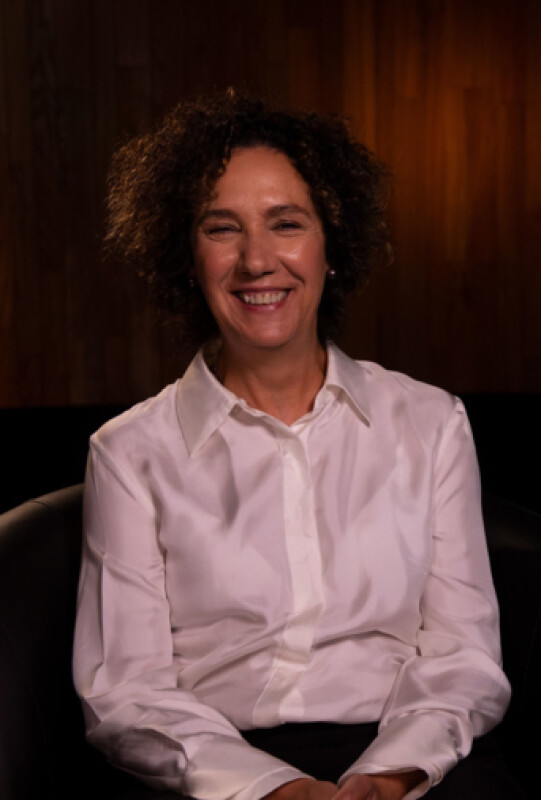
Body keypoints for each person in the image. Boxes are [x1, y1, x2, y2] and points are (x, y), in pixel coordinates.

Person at [73, 91, 521, 800]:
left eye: (285, 223)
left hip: (406, 753)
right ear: (187, 255)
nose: (256, 259)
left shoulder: (433, 423)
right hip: (215, 767)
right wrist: (275, 789)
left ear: (329, 245)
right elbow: (125, 694)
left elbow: (463, 657)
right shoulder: (128, 453)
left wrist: (388, 776)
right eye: (222, 228)